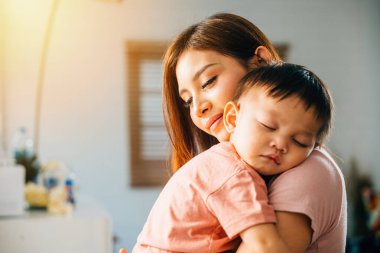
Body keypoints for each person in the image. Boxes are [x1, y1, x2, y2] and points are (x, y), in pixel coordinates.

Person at [162, 13, 346, 253]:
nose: (198, 108)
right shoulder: (241, 169)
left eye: (208, 82)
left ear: (259, 61)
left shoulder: (308, 170)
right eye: (187, 101)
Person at [132, 63, 334, 252]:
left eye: (300, 141)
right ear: (233, 118)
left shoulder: (223, 162)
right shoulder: (232, 174)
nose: (280, 145)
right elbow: (265, 246)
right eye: (268, 126)